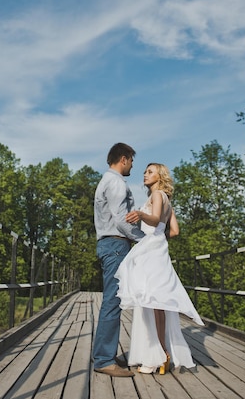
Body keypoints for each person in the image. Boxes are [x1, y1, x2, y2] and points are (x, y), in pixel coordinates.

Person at [115, 163, 204, 374]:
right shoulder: (167, 201)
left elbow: (154, 221)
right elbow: (174, 231)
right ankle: (160, 354)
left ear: (160, 175)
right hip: (158, 250)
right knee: (157, 303)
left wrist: (141, 215)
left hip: (150, 252)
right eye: (145, 172)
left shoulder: (157, 196)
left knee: (150, 301)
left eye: (150, 172)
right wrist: (157, 237)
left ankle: (158, 356)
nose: (145, 175)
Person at [93, 143, 145, 378]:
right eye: (132, 161)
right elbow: (121, 219)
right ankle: (104, 359)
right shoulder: (115, 183)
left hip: (111, 245)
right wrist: (143, 240)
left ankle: (105, 355)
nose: (133, 165)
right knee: (112, 301)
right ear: (123, 159)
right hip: (115, 245)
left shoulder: (107, 181)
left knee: (112, 300)